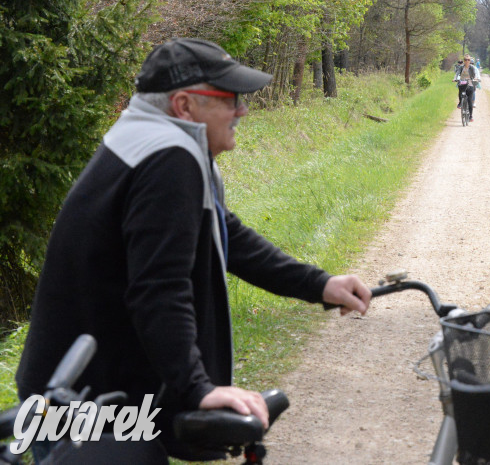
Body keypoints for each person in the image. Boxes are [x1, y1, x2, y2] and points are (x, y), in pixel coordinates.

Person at [16, 38, 373, 461]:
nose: (242, 111)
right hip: (83, 404)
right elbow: (159, 290)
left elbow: (226, 234)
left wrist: (320, 284)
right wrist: (197, 388)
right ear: (184, 105)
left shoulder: (153, 140)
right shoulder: (168, 158)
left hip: (84, 391)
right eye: (230, 99)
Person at [453, 54, 480, 121]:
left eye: (468, 60)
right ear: (464, 61)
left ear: (470, 61)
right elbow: (457, 73)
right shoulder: (461, 67)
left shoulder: (472, 67)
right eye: (465, 60)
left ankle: (470, 116)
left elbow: (475, 74)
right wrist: (455, 79)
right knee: (460, 90)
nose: (467, 61)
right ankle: (460, 103)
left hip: (470, 84)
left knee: (470, 101)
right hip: (463, 83)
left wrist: (476, 79)